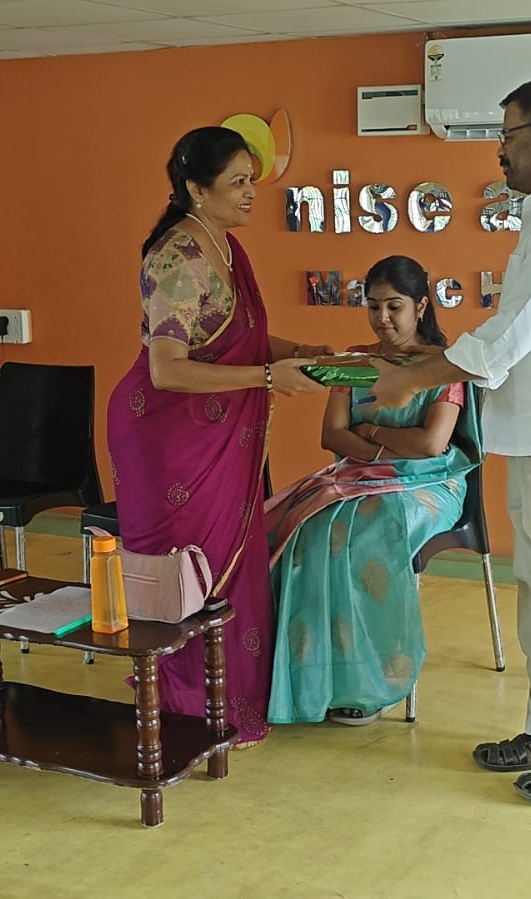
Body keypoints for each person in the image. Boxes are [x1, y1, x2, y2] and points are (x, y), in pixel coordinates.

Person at [367, 77, 531, 805]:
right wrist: (421, 364)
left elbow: (505, 340)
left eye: (508, 135)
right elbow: (516, 338)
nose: (499, 151)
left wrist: (410, 380)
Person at [105, 126, 332, 747]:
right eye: (237, 182)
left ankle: (231, 696)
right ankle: (183, 702)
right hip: (167, 438)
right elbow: (167, 368)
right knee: (185, 573)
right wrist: (268, 377)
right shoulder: (178, 256)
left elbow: (241, 336)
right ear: (196, 189)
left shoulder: (227, 247)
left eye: (251, 180)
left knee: (230, 563)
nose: (250, 192)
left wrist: (303, 352)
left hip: (214, 433)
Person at [264, 255, 480, 726]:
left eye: (394, 306)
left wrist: (369, 434)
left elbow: (430, 445)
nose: (382, 318)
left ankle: (369, 684)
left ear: (420, 306)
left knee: (363, 535)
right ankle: (307, 679)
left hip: (430, 483)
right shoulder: (356, 361)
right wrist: (381, 447)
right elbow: (331, 435)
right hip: (357, 479)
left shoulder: (442, 367)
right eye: (373, 306)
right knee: (300, 528)